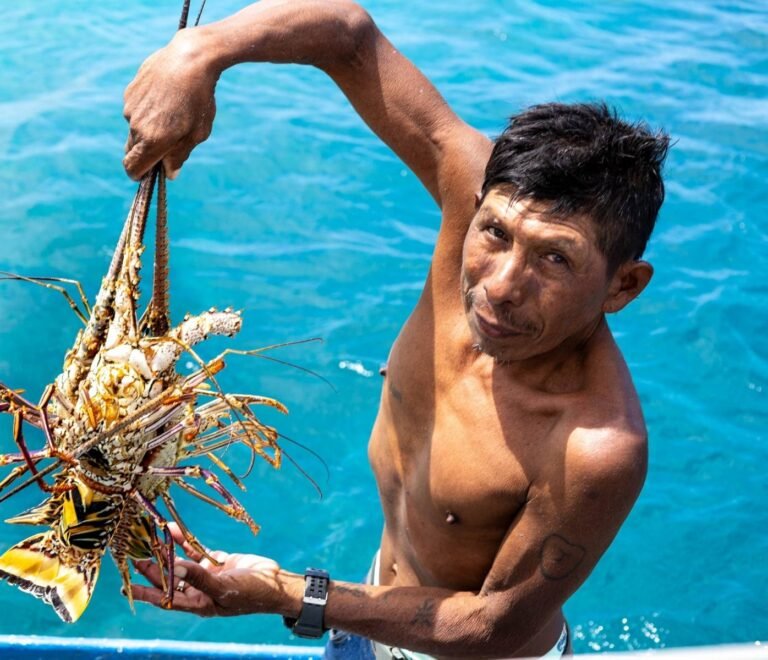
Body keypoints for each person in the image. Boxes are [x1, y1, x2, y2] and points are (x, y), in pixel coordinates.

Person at [122, 1, 669, 658]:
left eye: (555, 258)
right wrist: (199, 53)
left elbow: (492, 625)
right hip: (371, 611)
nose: (499, 285)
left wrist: (289, 595)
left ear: (623, 285)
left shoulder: (594, 447)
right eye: (495, 233)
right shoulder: (468, 191)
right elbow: (349, 37)